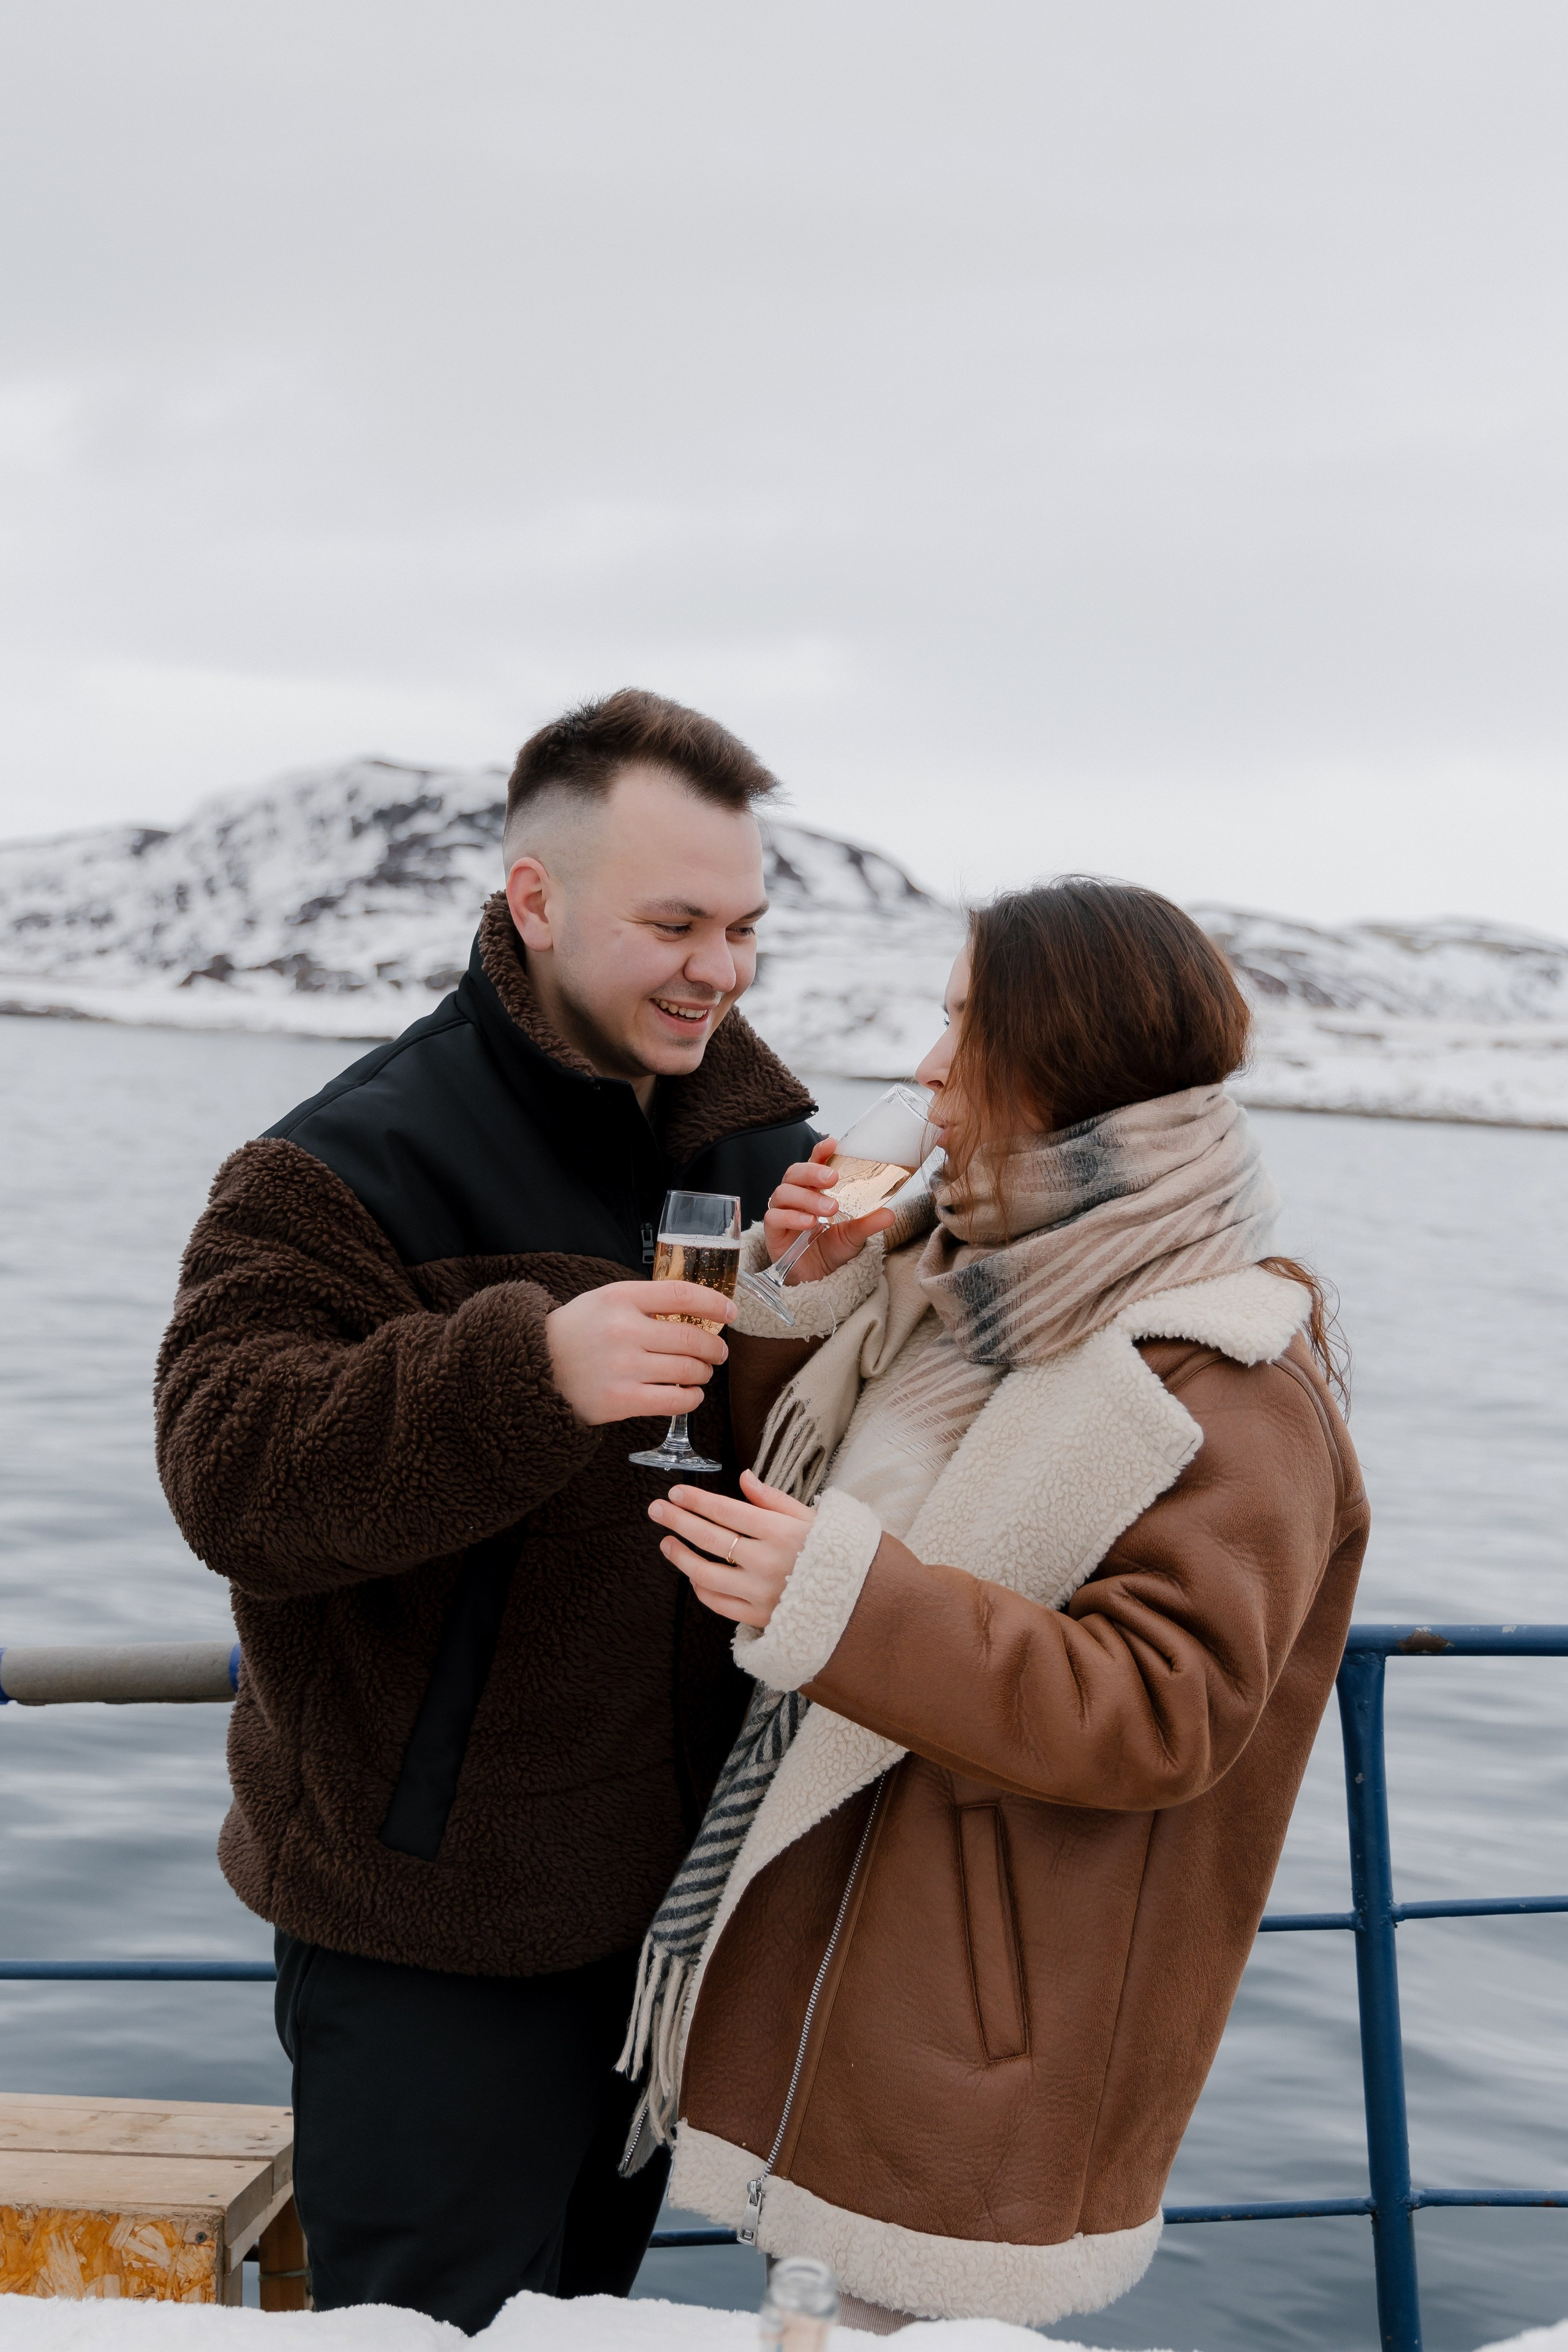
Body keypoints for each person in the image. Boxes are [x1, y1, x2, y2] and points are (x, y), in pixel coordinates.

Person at [154, 690, 823, 2332]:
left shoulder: (768, 1151)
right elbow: (229, 1468)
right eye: (672, 923)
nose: (715, 969)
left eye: (741, 928)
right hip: (431, 1931)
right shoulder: (339, 1165)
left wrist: (835, 1305)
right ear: (536, 900)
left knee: (585, 2325)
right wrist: (526, 1372)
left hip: (674, 1931)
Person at [618, 879, 1370, 2335]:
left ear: (1058, 1060)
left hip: (989, 2017)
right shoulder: (971, 1281)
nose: (925, 1067)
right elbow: (865, 1500)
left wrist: (845, 1606)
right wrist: (811, 1298)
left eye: (962, 1023)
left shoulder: (1225, 1375)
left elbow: (1165, 1713)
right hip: (861, 1946)